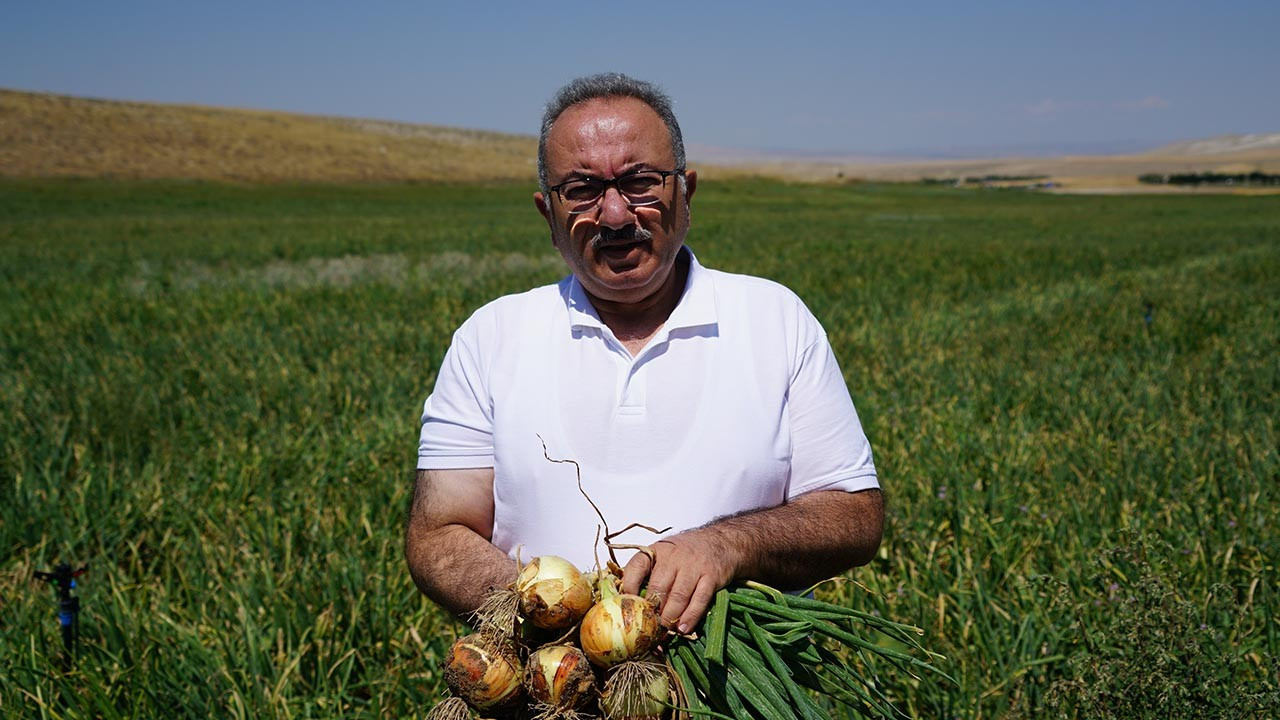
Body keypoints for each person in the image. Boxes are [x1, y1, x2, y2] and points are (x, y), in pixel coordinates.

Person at [405, 73, 883, 635]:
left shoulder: (776, 319)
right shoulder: (490, 337)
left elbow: (853, 514)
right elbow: (436, 535)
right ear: (547, 215)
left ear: (687, 192)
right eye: (581, 189)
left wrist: (727, 546)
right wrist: (556, 621)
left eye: (640, 181)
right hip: (551, 691)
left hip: (739, 693)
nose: (613, 214)